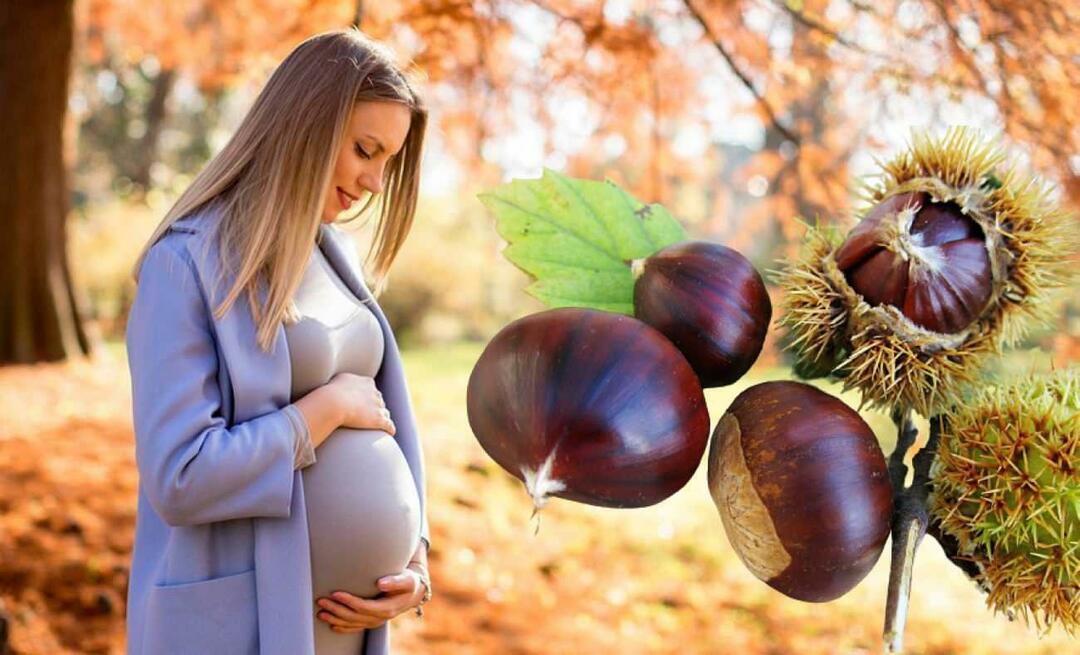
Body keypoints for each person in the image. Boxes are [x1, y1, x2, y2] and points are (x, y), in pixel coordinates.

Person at [124, 28, 431, 655]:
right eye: (365, 150)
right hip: (241, 626)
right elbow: (179, 474)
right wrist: (322, 413)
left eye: (387, 162)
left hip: (346, 632)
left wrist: (416, 557)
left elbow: (390, 421)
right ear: (305, 125)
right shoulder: (184, 264)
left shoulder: (334, 255)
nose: (375, 182)